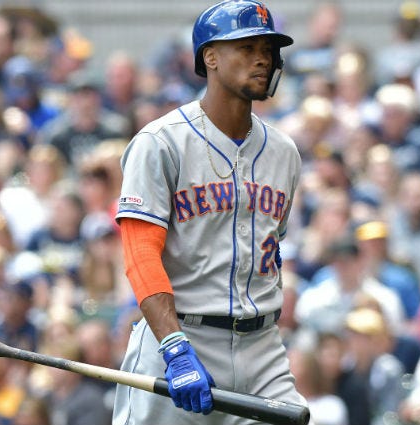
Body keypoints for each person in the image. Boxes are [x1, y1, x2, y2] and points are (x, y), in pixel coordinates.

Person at [113, 1, 307, 423]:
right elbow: (140, 255)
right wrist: (174, 348)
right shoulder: (161, 142)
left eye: (269, 49)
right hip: (181, 337)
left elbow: (272, 250)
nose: (262, 58)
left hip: (262, 348)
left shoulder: (284, 152)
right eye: (247, 46)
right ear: (210, 57)